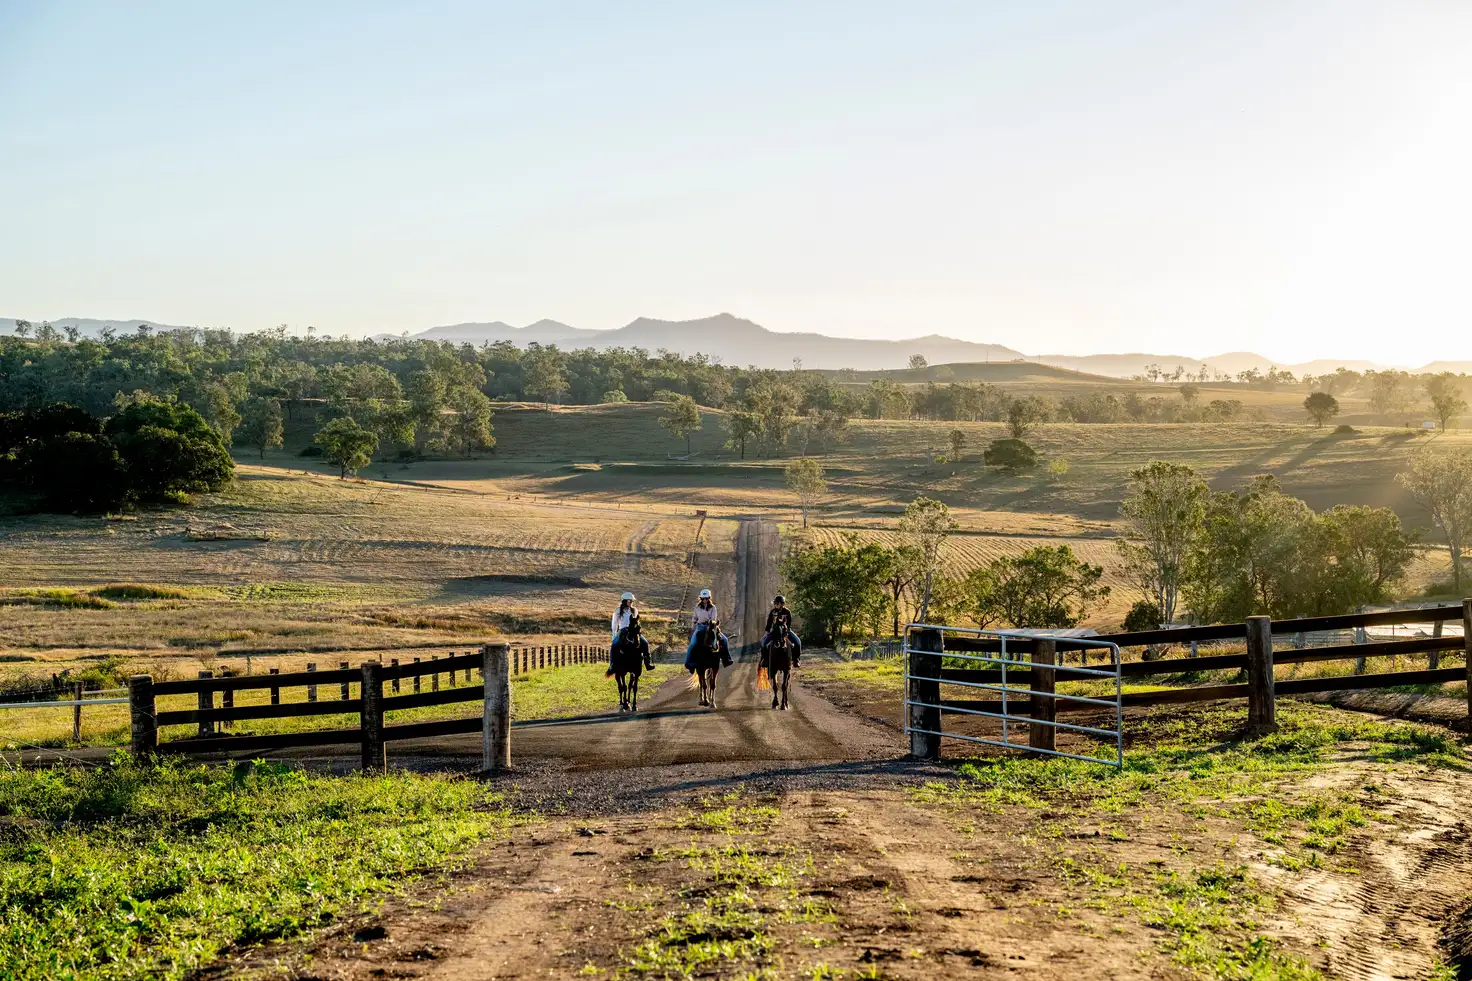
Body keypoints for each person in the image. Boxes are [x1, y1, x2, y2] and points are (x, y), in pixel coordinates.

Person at [685, 588, 733, 671]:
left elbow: (713, 619)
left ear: (709, 598)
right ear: (701, 599)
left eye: (706, 598)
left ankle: (726, 660)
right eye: (703, 598)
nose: (705, 600)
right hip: (699, 627)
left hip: (710, 627)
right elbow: (694, 618)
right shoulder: (697, 607)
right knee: (692, 644)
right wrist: (693, 628)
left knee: (724, 640)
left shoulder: (713, 607)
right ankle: (689, 664)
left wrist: (711, 625)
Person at [761, 594, 801, 668]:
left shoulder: (787, 612)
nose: (775, 605)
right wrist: (767, 632)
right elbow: (769, 622)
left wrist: (786, 632)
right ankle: (765, 659)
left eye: (777, 603)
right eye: (775, 603)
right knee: (763, 642)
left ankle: (796, 659)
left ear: (782, 604)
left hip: (786, 631)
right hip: (774, 631)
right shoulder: (772, 612)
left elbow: (788, 624)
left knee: (798, 642)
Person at [609, 592, 636, 669]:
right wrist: (614, 635)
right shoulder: (618, 610)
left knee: (645, 643)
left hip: (633, 631)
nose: (631, 602)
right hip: (622, 630)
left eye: (632, 601)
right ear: (624, 601)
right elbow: (614, 624)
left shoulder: (634, 610)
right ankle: (612, 665)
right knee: (614, 646)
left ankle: (647, 662)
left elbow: (636, 622)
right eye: (629, 601)